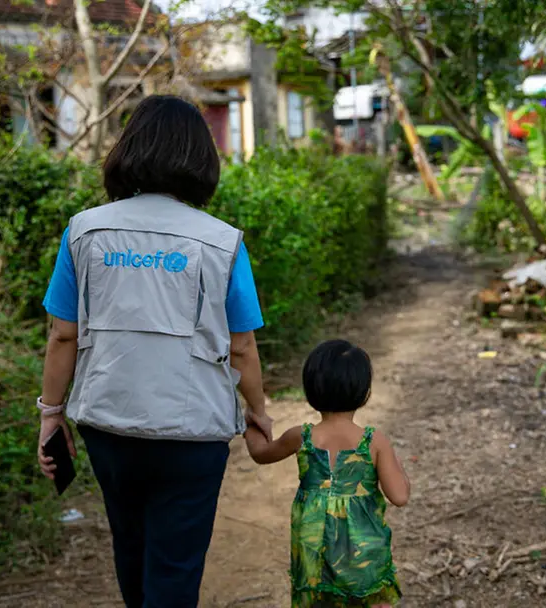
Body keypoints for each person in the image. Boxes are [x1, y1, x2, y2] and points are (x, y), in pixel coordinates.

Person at [35, 95, 273, 607]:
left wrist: (51, 416)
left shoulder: (83, 230)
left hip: (107, 425)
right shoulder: (223, 241)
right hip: (193, 435)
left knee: (131, 546)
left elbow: (62, 336)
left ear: (129, 149)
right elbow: (243, 347)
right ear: (200, 158)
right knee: (175, 567)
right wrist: (258, 410)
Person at [243, 339, 410, 607]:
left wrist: (250, 423)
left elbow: (260, 454)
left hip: (312, 561)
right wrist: (395, 463)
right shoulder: (374, 442)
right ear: (364, 392)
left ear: (311, 389)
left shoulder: (301, 436)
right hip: (363, 559)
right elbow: (399, 495)